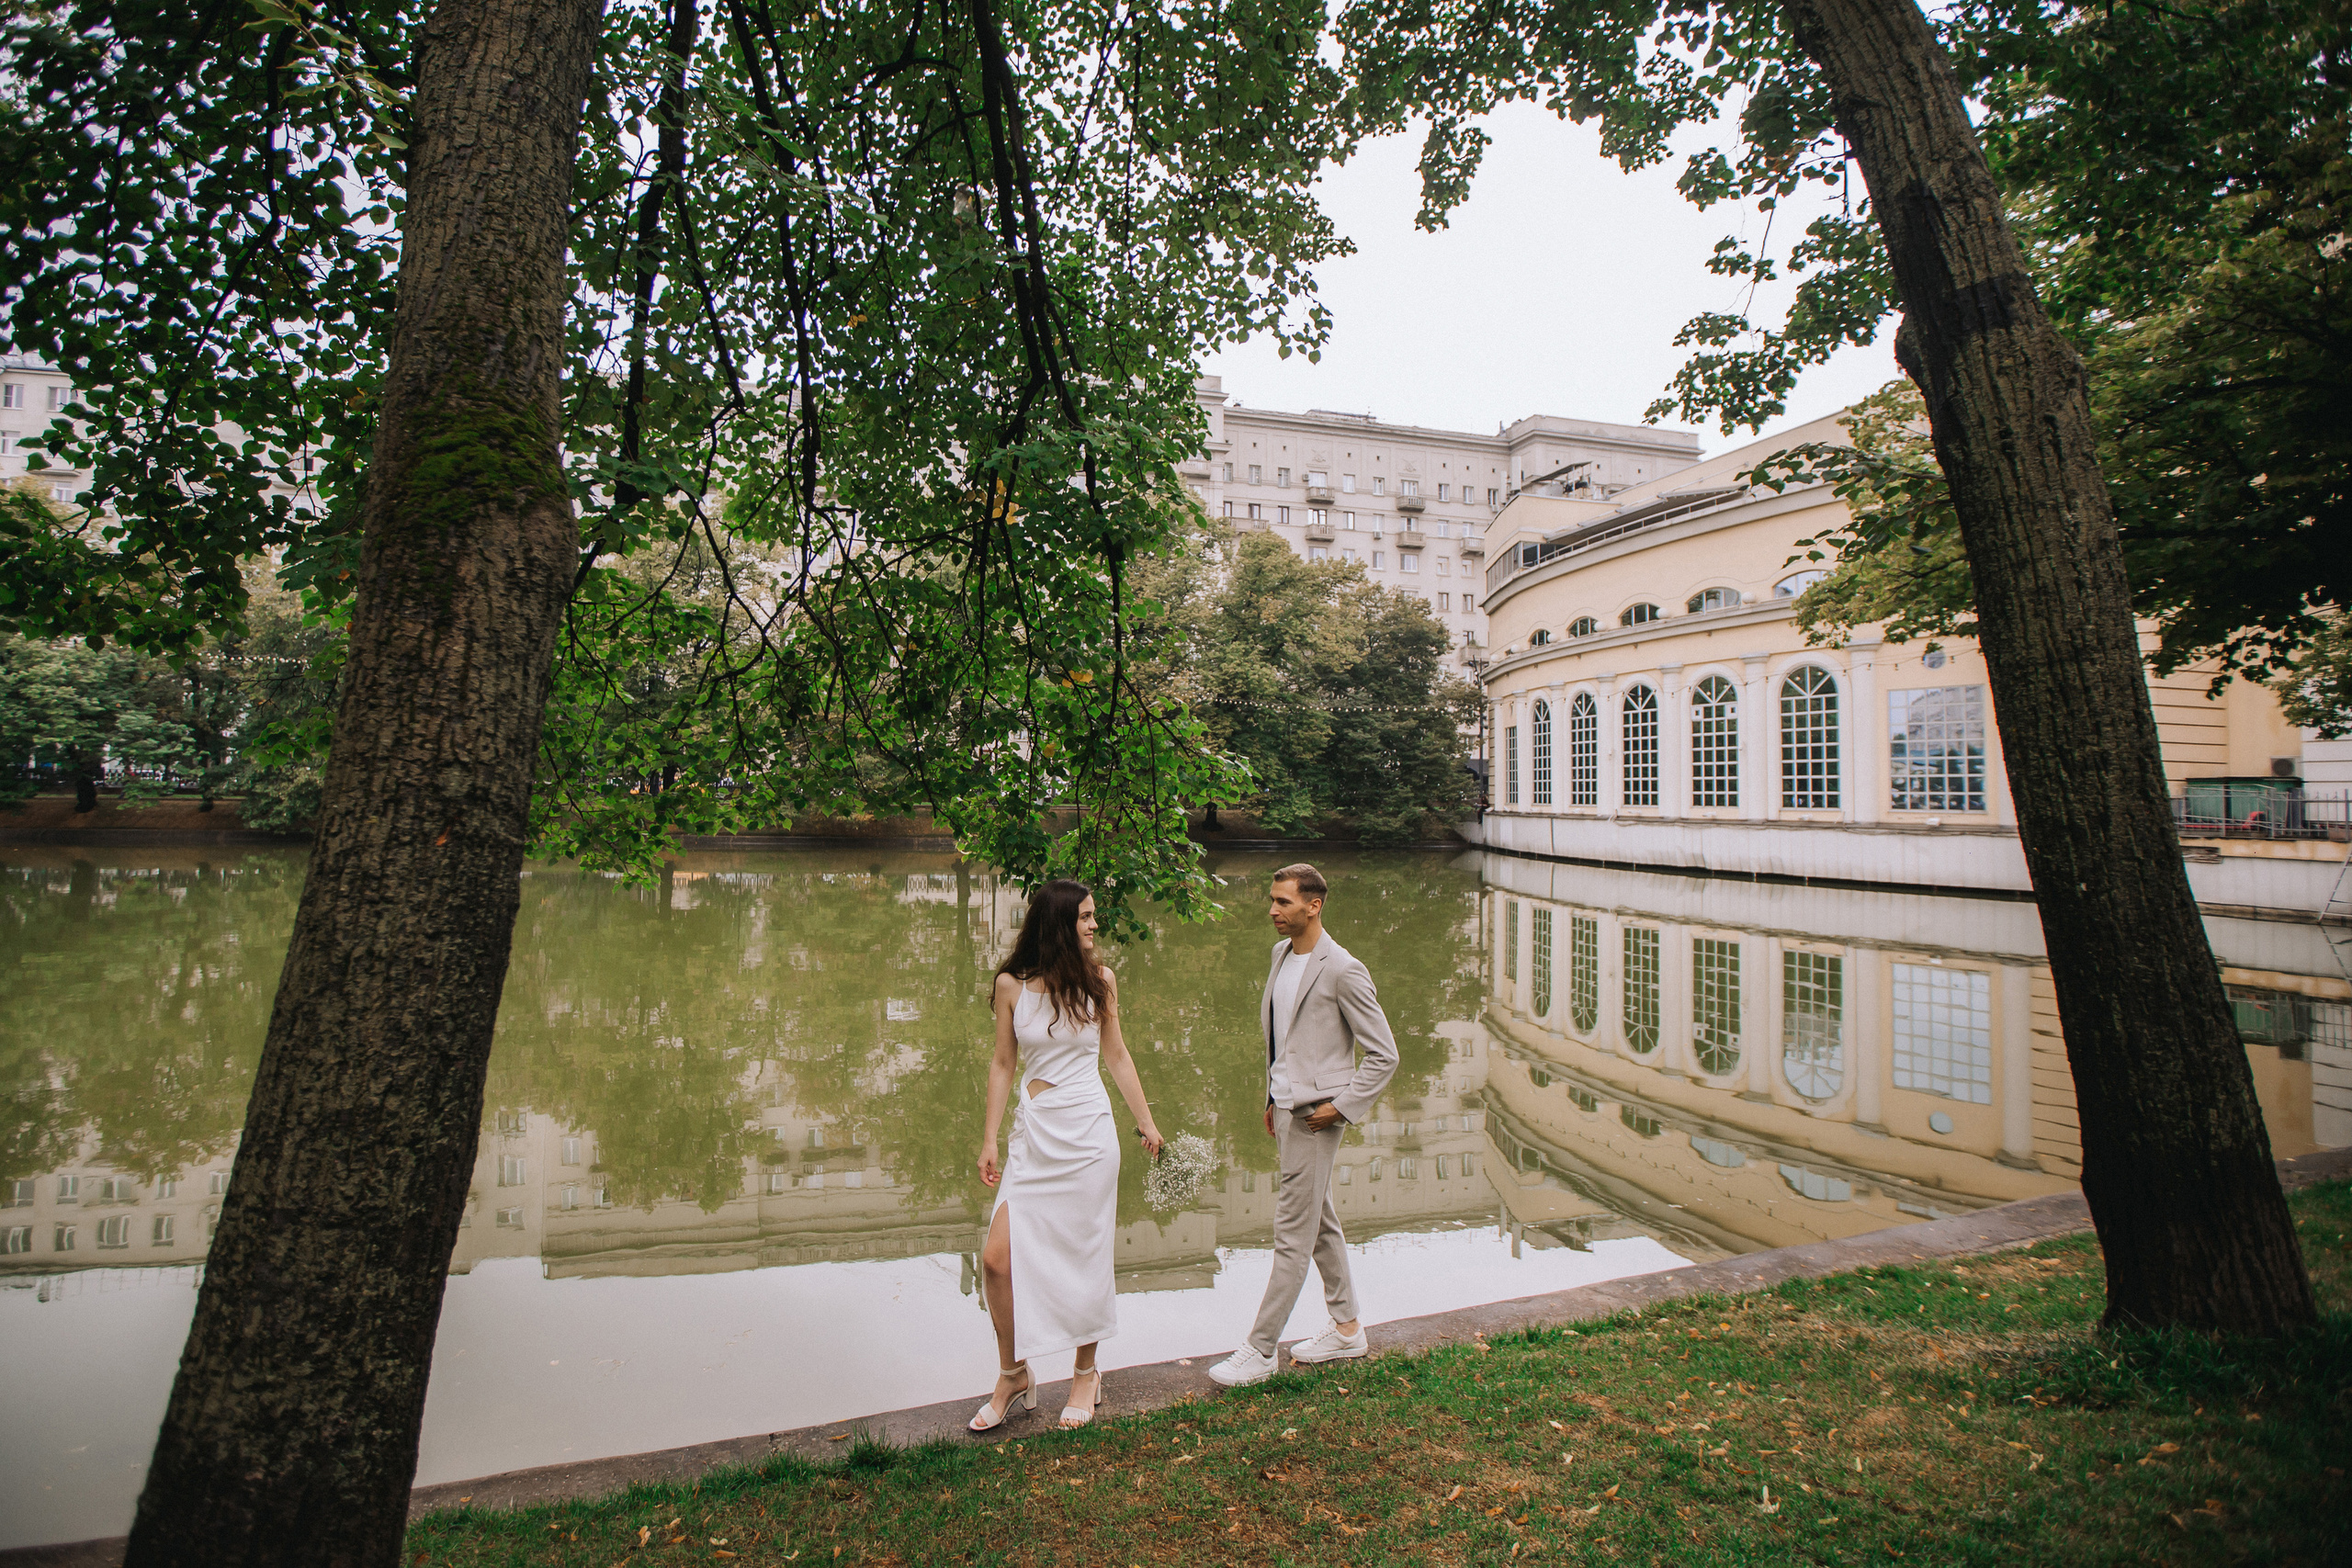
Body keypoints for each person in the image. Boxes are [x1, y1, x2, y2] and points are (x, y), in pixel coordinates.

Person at [971, 879, 1164, 1432]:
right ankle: (1013, 1373)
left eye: (1093, 917)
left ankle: (1085, 1372)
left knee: (1085, 1255)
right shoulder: (1012, 985)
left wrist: (1146, 1123)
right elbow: (1003, 1064)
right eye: (1084, 917)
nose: (1094, 926)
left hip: (1088, 1139)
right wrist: (989, 1139)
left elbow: (1117, 1055)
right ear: (1058, 923)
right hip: (1033, 1139)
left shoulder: (1101, 982)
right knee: (996, 1260)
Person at [1208, 863, 1398, 1387]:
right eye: (1272, 900)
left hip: (1318, 1118)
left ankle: (1261, 1347)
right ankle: (1347, 1328)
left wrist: (1341, 1107)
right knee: (1320, 1222)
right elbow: (1281, 1037)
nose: (1272, 910)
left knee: (1291, 1232)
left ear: (1314, 905)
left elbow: (1384, 1055)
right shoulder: (1279, 955)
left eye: (1283, 902)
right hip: (1287, 1109)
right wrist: (1272, 1095)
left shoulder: (1343, 969)